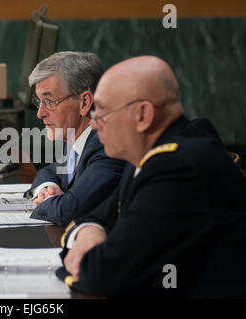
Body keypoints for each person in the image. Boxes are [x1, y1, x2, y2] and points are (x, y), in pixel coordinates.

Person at [57, 55, 246, 298]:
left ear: (143, 115)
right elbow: (98, 215)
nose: (94, 125)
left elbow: (104, 274)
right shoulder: (151, 152)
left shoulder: (177, 170)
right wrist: (90, 230)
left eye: (102, 113)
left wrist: (82, 256)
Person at [25, 51, 126, 226]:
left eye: (49, 101)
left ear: (84, 102)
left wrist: (47, 202)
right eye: (39, 102)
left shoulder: (107, 146)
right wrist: (46, 188)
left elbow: (68, 210)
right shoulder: (74, 137)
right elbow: (49, 171)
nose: (40, 114)